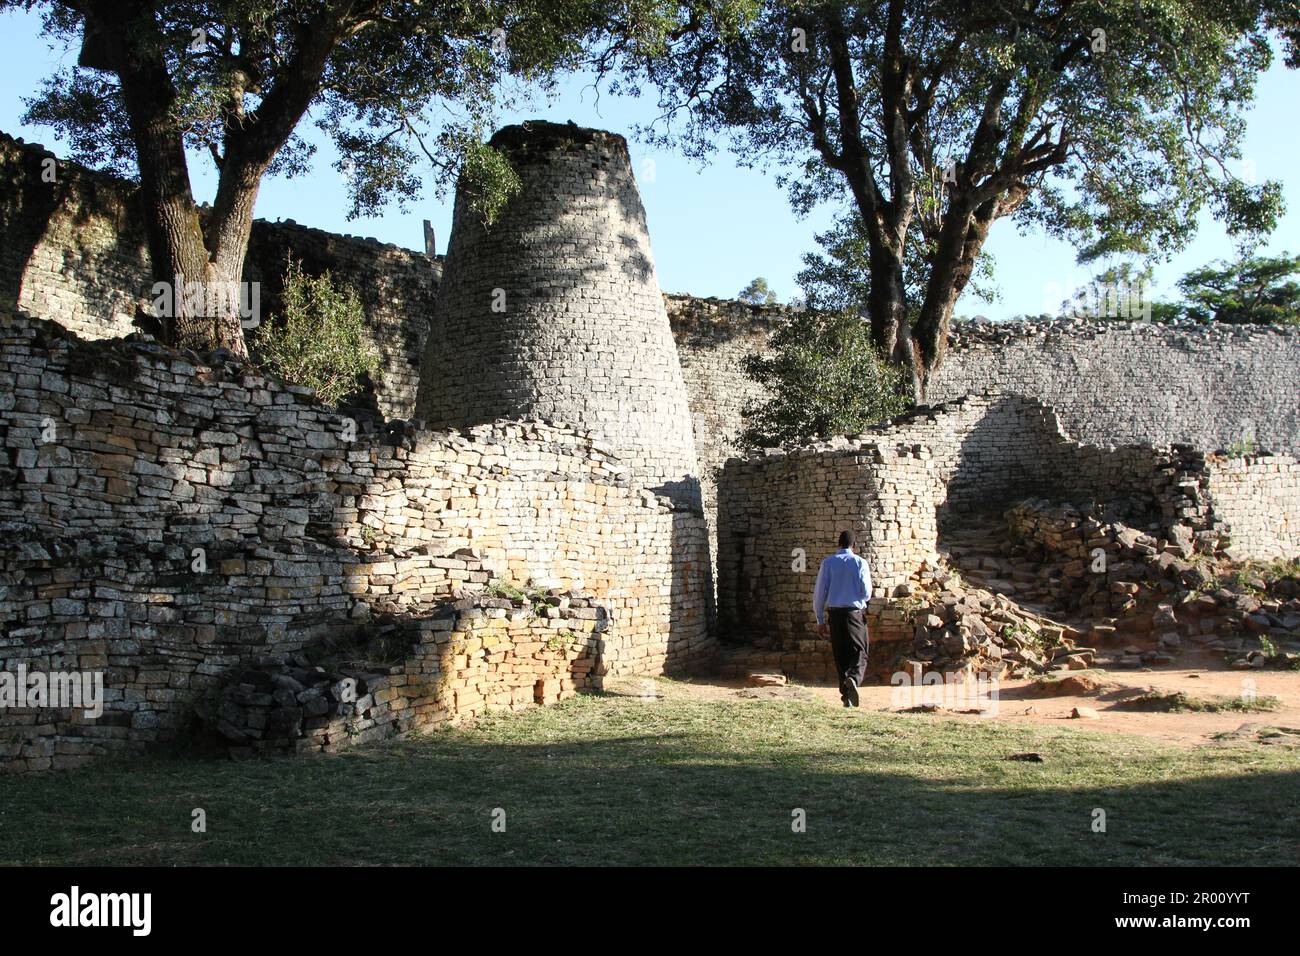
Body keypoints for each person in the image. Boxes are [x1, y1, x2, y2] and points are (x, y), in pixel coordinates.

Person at [813, 530, 873, 707]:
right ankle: (854, 678)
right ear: (854, 545)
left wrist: (820, 620)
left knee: (840, 656)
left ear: (838, 544)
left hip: (834, 615)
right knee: (861, 651)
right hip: (854, 614)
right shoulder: (860, 562)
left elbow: (819, 594)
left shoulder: (827, 563)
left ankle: (846, 698)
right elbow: (867, 593)